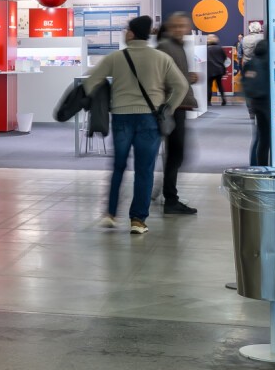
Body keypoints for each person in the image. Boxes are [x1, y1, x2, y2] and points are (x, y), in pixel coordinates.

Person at [84, 16, 189, 234]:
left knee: (118, 167)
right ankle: (138, 220)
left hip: (121, 118)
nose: (124, 32)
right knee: (145, 170)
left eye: (126, 29)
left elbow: (90, 81)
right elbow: (181, 86)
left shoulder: (115, 57)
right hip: (149, 119)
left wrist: (104, 95)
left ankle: (111, 214)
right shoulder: (161, 58)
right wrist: (167, 108)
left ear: (131, 33)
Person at [157, 13, 199, 216]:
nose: (181, 30)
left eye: (184, 26)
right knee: (175, 153)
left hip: (178, 106)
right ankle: (170, 199)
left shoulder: (176, 46)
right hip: (173, 107)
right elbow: (162, 78)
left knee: (176, 154)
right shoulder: (166, 46)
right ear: (171, 27)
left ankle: (165, 194)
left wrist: (187, 78)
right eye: (178, 26)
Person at [242, 39, 272, 165]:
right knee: (268, 138)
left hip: (256, 103)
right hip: (268, 104)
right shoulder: (269, 62)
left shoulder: (250, 63)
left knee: (261, 137)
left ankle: (257, 166)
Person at [206, 34, 227, 106]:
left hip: (210, 70)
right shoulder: (219, 48)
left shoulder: (206, 49)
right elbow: (224, 57)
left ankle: (208, 101)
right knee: (219, 85)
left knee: (209, 86)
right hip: (219, 69)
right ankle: (223, 99)